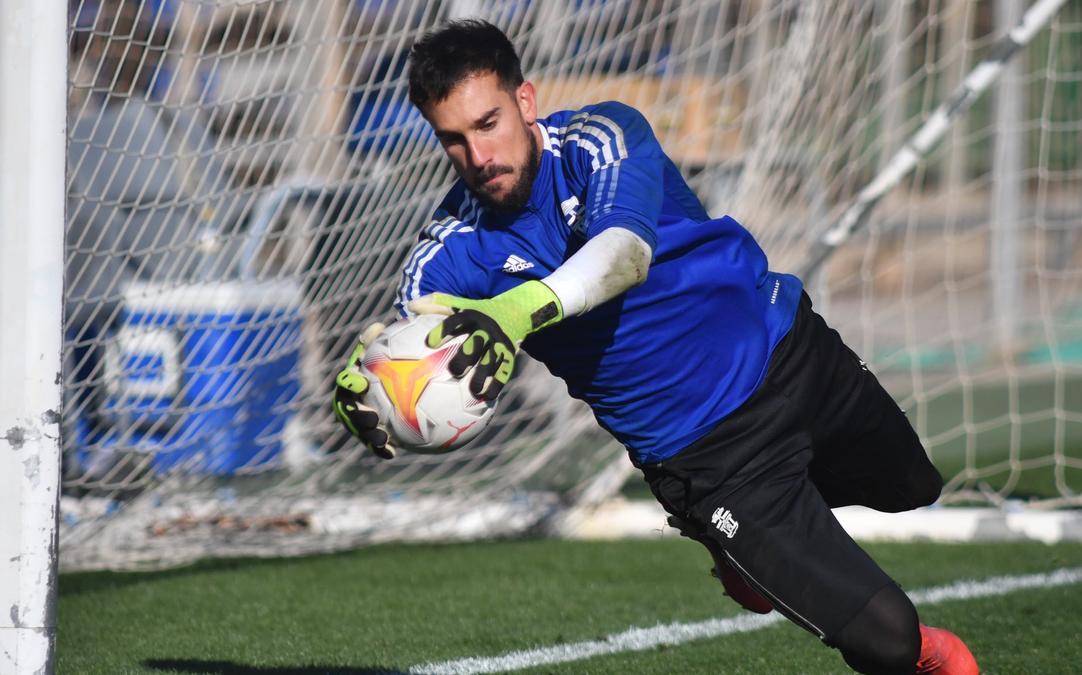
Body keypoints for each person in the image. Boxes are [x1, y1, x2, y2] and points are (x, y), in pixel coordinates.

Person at [333, 19, 979, 675]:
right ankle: (747, 537)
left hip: (790, 348)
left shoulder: (601, 137)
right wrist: (375, 380)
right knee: (891, 642)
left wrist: (516, 309)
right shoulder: (448, 251)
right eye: (454, 138)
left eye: (488, 122)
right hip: (709, 455)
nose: (478, 154)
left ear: (525, 101)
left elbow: (624, 253)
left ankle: (755, 544)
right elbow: (413, 328)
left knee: (911, 486)